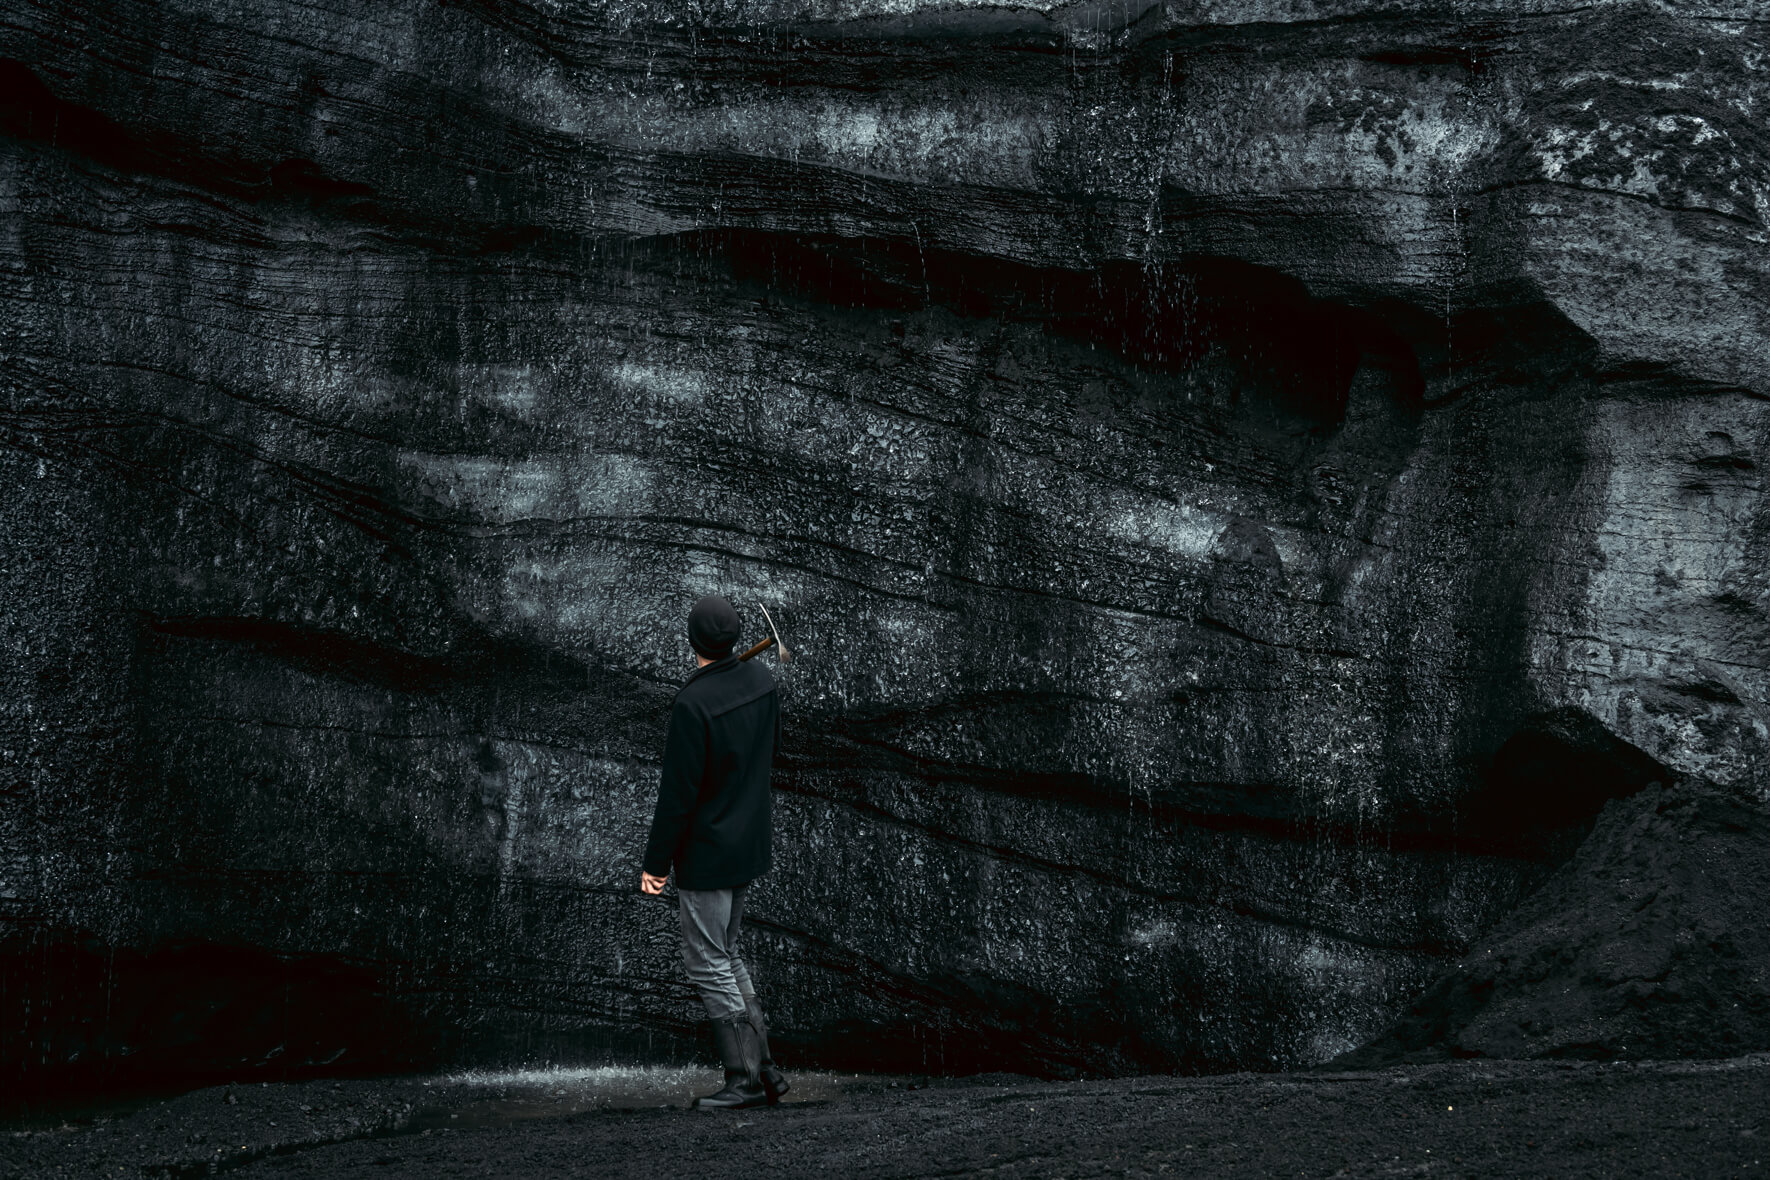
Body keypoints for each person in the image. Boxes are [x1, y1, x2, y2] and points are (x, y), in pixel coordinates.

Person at [639, 594, 790, 1110]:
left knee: (707, 962)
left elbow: (677, 796)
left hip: (707, 853)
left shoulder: (693, 704)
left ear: (693, 641)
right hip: (747, 843)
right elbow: (771, 753)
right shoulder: (762, 681)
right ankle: (765, 1070)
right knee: (727, 954)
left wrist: (655, 864)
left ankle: (744, 1080)